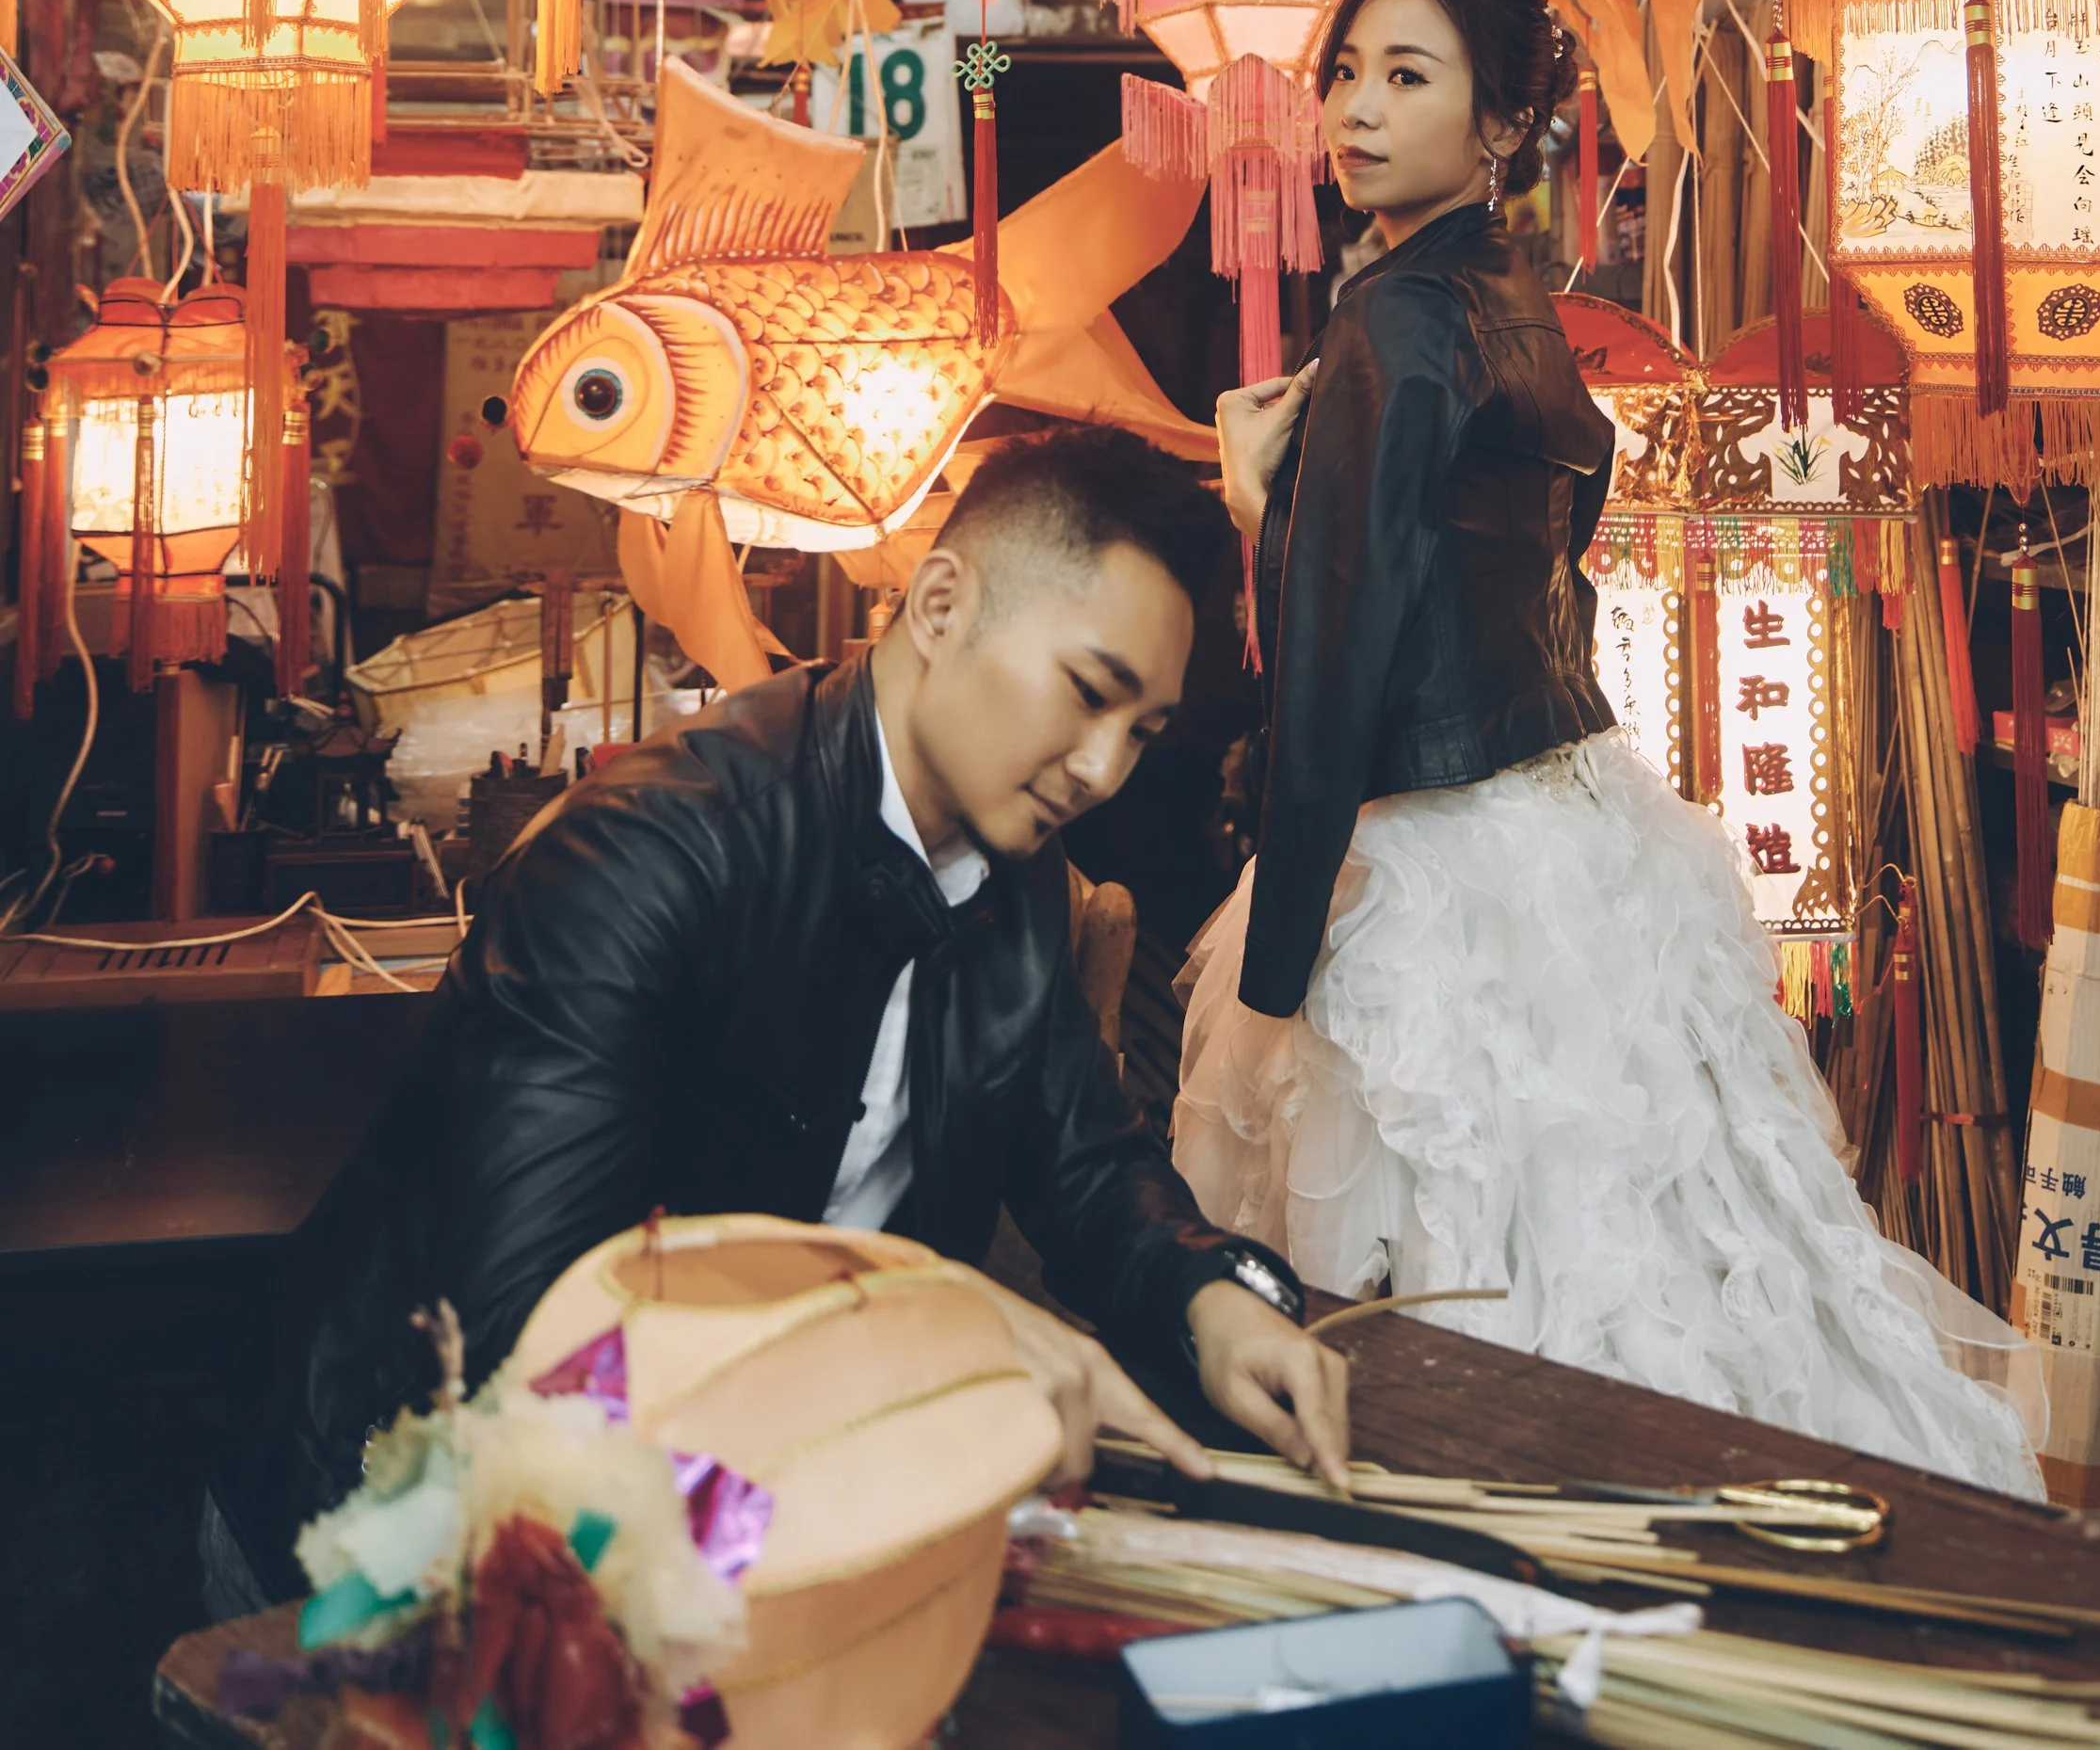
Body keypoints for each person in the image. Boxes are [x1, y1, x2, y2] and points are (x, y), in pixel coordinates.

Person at [204, 427, 1351, 1613]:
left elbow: (1084, 1160)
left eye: (1144, 732)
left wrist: (1209, 1298)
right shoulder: (650, 853)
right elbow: (536, 1318)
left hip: (736, 1520)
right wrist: (924, 1315)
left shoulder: (1012, 877)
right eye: (1088, 693)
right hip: (402, 1535)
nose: (1104, 768)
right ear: (942, 604)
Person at [1174, 0, 2044, 1499]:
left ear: (1499, 129)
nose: (1358, 110)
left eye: (1407, 76)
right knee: (1662, 1237)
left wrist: (1273, 980)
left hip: (1427, 853)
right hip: (1576, 824)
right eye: (1345, 76)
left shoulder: (1390, 322)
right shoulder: (1515, 292)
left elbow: (1337, 669)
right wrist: (1284, 506)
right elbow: (1522, 572)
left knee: (1473, 1279)